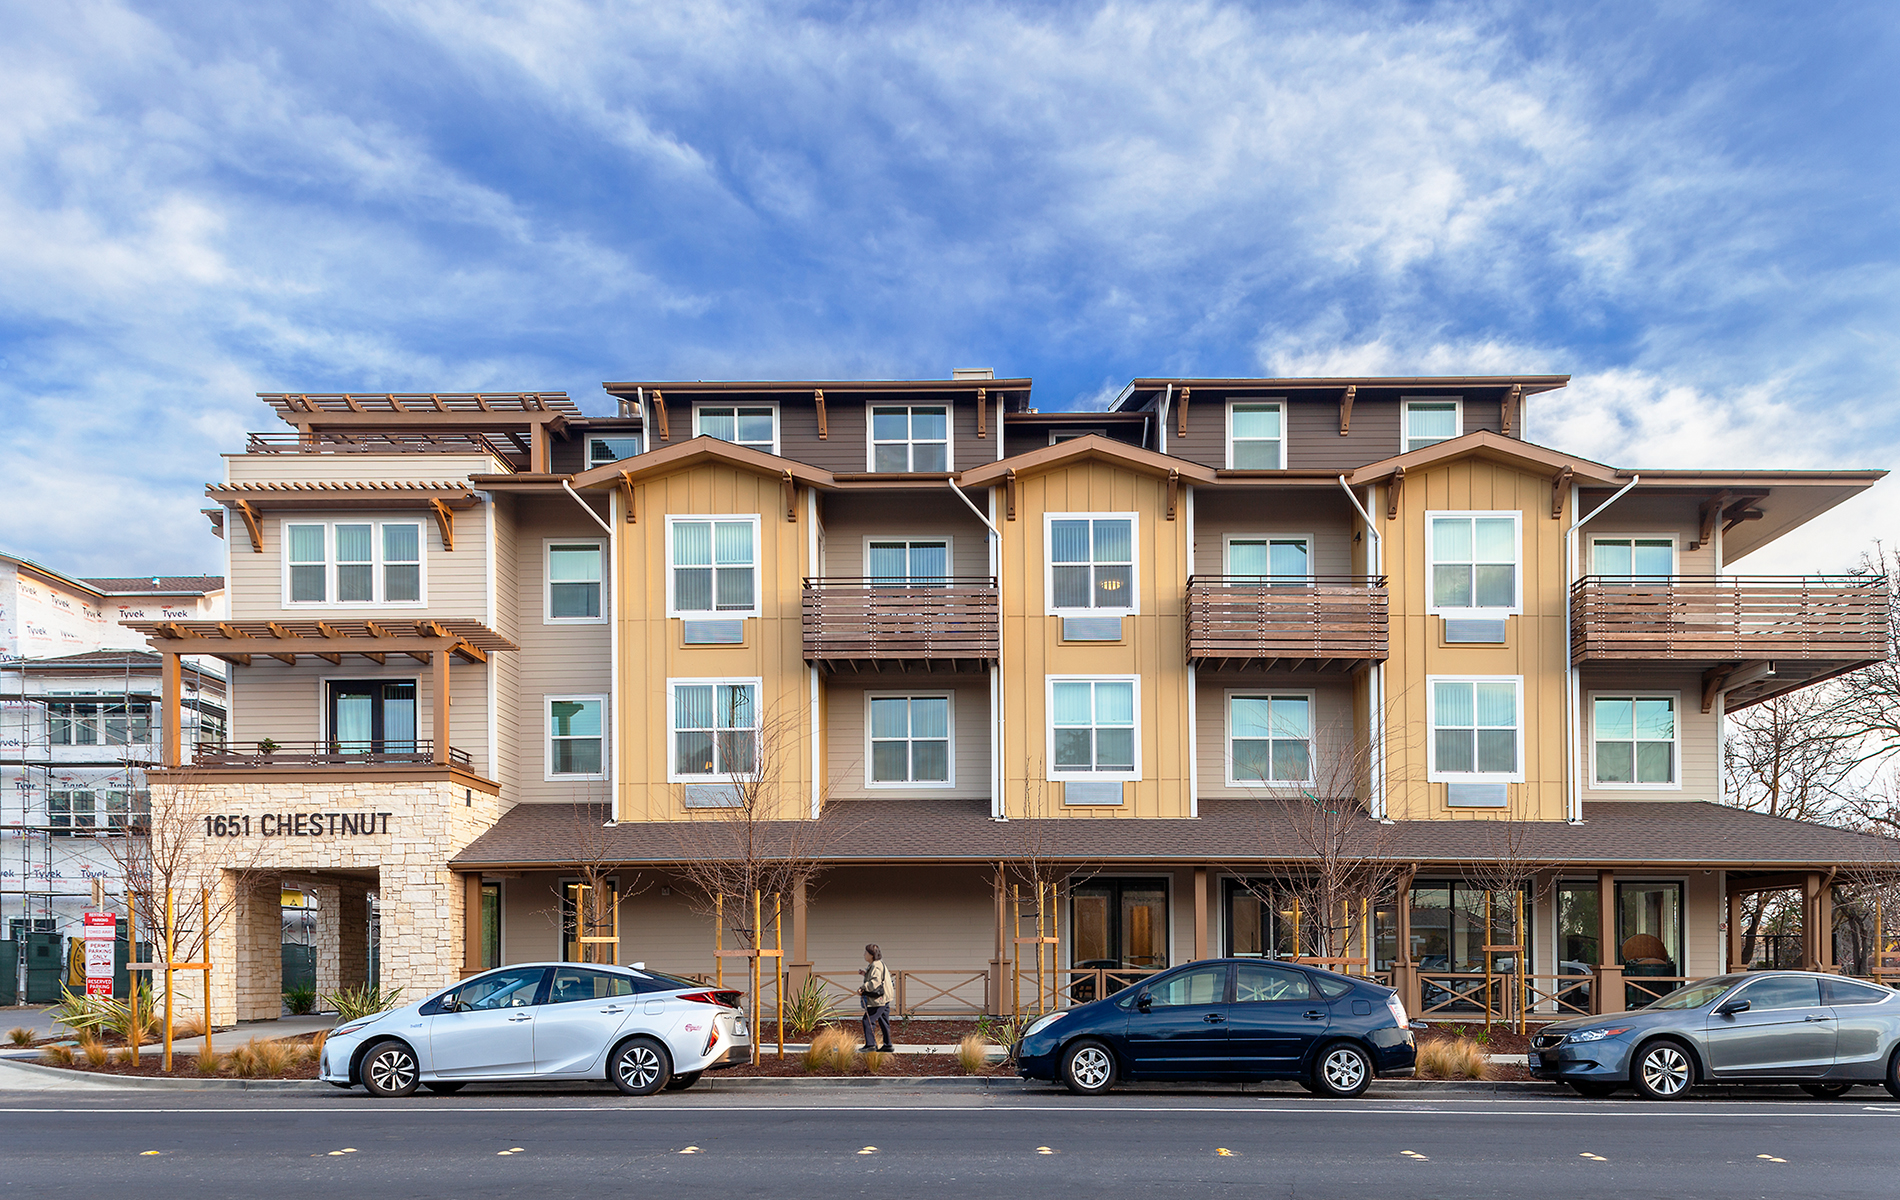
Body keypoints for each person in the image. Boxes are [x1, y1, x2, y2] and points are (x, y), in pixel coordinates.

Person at [859, 943, 894, 1052]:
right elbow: (876, 977)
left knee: (868, 1020)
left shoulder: (875, 965)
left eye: (866, 953)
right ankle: (887, 1045)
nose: (864, 955)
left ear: (871, 955)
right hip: (885, 998)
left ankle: (870, 1045)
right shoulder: (878, 964)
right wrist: (865, 974)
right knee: (883, 1021)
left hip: (879, 999)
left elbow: (875, 982)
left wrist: (863, 988)